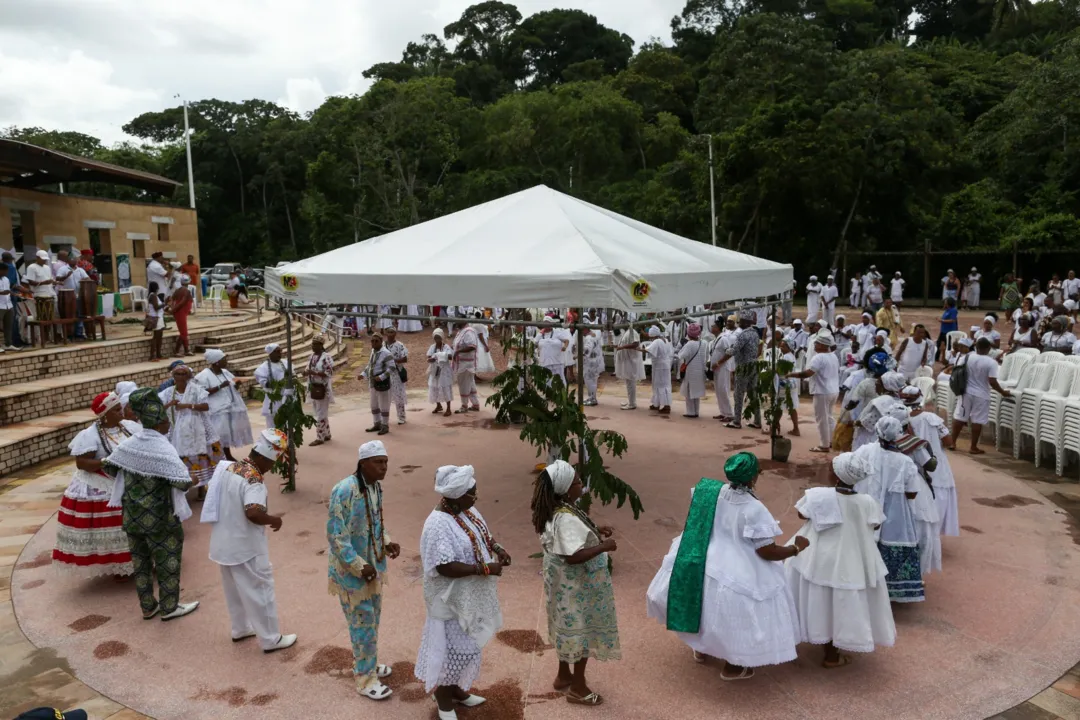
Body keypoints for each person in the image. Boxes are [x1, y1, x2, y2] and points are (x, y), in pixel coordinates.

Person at [646, 453, 803, 679]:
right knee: (736, 616)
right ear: (753, 477)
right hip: (739, 566)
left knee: (705, 609)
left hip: (704, 560)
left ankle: (700, 648)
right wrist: (795, 548)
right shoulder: (754, 508)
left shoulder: (711, 492)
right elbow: (767, 551)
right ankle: (734, 665)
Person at [416, 465, 509, 718]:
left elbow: (483, 535)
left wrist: (498, 549)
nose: (475, 497)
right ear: (456, 494)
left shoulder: (467, 510)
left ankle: (456, 691)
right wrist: (485, 569)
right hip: (447, 599)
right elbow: (444, 567)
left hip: (467, 595)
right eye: (472, 493)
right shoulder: (437, 524)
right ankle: (444, 702)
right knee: (450, 652)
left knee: (467, 647)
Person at [785, 452, 895, 667]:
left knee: (818, 597)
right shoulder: (867, 501)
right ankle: (832, 654)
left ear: (835, 477)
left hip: (818, 556)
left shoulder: (818, 495)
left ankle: (803, 636)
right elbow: (876, 524)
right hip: (853, 557)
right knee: (841, 602)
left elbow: (802, 514)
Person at [103, 388, 199, 620]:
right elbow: (182, 482)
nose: (168, 425)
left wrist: (136, 476)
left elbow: (109, 467)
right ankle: (169, 607)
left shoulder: (130, 444)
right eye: (166, 421)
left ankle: (148, 606)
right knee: (167, 560)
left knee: (141, 564)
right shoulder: (162, 447)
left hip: (132, 516)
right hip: (160, 518)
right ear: (159, 423)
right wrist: (194, 479)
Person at [531, 460, 620, 706]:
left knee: (565, 626)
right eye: (578, 482)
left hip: (559, 584)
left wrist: (594, 529)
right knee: (582, 630)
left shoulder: (558, 507)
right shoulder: (566, 517)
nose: (582, 485)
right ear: (566, 488)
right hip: (576, 586)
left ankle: (563, 675)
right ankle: (578, 688)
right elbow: (572, 556)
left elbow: (572, 533)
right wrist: (604, 546)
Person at [199, 428, 296, 652]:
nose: (271, 468)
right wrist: (273, 519)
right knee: (260, 589)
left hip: (223, 544)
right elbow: (253, 512)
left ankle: (240, 628)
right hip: (245, 547)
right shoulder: (254, 480)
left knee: (234, 590)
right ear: (263, 457)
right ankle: (271, 639)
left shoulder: (230, 467)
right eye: (272, 462)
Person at [328, 441, 402, 700]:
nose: (384, 467)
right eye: (378, 462)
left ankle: (368, 663)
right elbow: (336, 536)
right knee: (362, 623)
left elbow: (375, 523)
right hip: (352, 573)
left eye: (386, 462)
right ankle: (365, 678)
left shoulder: (375, 487)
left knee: (372, 621)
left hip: (374, 567)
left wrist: (387, 541)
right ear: (363, 463)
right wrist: (359, 566)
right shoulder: (344, 490)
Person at [51, 392, 135, 578]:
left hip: (129, 479)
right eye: (116, 410)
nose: (122, 412)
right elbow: (82, 463)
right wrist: (108, 462)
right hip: (102, 482)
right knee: (114, 524)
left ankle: (139, 560)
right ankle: (119, 566)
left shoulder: (129, 427)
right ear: (105, 414)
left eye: (121, 408)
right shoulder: (90, 435)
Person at [854, 417, 925, 603]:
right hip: (895, 514)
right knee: (892, 542)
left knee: (862, 541)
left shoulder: (864, 451)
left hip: (864, 508)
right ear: (898, 435)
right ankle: (891, 592)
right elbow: (911, 493)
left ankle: (861, 587)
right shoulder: (905, 462)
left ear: (877, 431)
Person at [159, 364, 223, 492]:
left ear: (188, 376)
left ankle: (202, 489)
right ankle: (184, 486)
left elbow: (205, 406)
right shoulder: (168, 392)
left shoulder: (196, 390)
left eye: (184, 374)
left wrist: (187, 405)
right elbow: (159, 410)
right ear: (173, 376)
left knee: (201, 456)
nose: (181, 377)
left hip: (198, 430)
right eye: (178, 374)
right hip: (176, 431)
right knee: (181, 458)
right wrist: (169, 404)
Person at [907, 394, 959, 537]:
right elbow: (949, 442)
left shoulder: (902, 419)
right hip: (937, 466)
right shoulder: (932, 419)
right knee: (939, 501)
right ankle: (933, 536)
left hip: (914, 466)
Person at [951, 337, 1012, 454]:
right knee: (977, 420)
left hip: (965, 392)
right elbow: (992, 382)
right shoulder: (991, 362)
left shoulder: (967, 357)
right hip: (982, 395)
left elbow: (957, 371)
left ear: (976, 347)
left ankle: (952, 442)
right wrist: (1003, 392)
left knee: (959, 417)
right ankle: (973, 447)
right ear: (988, 349)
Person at [194, 349, 252, 461]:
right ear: (216, 362)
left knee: (226, 434)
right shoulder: (203, 375)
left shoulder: (225, 372)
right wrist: (220, 387)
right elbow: (202, 392)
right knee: (218, 435)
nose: (226, 361)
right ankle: (216, 458)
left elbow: (231, 387)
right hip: (216, 410)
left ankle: (227, 455)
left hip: (230, 407)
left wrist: (237, 385)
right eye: (224, 359)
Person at [788, 333, 840, 452]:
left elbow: (807, 373)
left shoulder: (819, 357)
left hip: (822, 391)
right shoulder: (833, 356)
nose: (814, 345)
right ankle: (832, 441)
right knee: (829, 417)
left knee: (822, 419)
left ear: (822, 345)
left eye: (816, 343)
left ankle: (824, 445)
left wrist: (791, 374)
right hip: (833, 390)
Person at [721, 312, 763, 429]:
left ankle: (737, 421)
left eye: (741, 321)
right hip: (754, 367)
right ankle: (757, 421)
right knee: (753, 394)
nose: (739, 323)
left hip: (743, 367)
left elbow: (733, 351)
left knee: (738, 394)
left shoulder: (743, 335)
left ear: (747, 322)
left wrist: (725, 352)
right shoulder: (755, 333)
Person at [359, 333, 395, 435]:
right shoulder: (373, 352)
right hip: (372, 383)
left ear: (381, 341)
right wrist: (363, 374)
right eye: (372, 341)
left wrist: (382, 376)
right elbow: (370, 366)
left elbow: (392, 368)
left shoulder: (386, 353)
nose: (373, 343)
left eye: (376, 341)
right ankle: (377, 423)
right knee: (374, 404)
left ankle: (385, 425)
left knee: (384, 405)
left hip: (382, 383)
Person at [306, 334, 335, 444]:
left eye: (315, 344)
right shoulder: (311, 357)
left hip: (322, 389)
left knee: (320, 413)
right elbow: (308, 369)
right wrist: (306, 372)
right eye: (312, 344)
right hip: (314, 388)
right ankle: (326, 434)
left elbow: (329, 372)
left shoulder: (326, 357)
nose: (312, 346)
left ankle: (320, 437)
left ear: (320, 345)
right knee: (320, 412)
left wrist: (315, 372)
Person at [254, 344, 292, 429]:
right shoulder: (263, 367)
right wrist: (273, 384)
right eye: (277, 352)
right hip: (273, 397)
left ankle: (286, 440)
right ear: (270, 353)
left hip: (285, 395)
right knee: (273, 422)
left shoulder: (285, 363)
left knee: (286, 421)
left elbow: (293, 375)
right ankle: (274, 441)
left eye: (280, 351)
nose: (279, 354)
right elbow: (262, 381)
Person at [25, 249, 59, 344]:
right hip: (39, 295)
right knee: (42, 318)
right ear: (37, 258)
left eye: (45, 259)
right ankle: (41, 338)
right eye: (42, 259)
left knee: (50, 318)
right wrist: (43, 283)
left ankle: (48, 337)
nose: (44, 260)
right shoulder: (32, 267)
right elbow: (30, 281)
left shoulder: (47, 268)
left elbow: (49, 279)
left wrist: (56, 282)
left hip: (49, 293)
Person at [676, 323, 708, 418]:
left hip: (690, 371)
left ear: (688, 333)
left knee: (689, 392)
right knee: (696, 393)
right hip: (700, 371)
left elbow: (681, 356)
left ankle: (690, 412)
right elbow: (706, 357)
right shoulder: (704, 343)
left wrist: (683, 346)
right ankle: (696, 411)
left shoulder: (689, 344)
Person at [709, 317, 736, 422]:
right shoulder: (716, 339)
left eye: (713, 326)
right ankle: (723, 412)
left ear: (718, 328)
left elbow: (729, 353)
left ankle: (729, 414)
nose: (711, 328)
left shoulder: (724, 339)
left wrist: (719, 363)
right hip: (717, 368)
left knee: (724, 390)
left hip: (723, 367)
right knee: (718, 390)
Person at [614, 324, 646, 410]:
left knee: (631, 383)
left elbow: (635, 344)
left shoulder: (632, 331)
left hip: (631, 361)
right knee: (629, 382)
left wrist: (622, 347)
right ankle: (631, 401)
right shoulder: (627, 332)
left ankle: (632, 403)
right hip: (627, 361)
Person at [451, 321, 481, 413]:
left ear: (464, 321)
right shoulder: (461, 331)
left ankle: (464, 406)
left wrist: (458, 351)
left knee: (463, 384)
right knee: (470, 384)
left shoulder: (469, 331)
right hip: (462, 363)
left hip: (466, 364)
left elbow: (472, 346)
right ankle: (475, 404)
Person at [428, 328, 454, 416]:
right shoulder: (432, 347)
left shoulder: (446, 347)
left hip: (444, 371)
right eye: (435, 338)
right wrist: (432, 359)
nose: (437, 340)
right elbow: (428, 357)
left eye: (439, 337)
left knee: (445, 387)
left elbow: (450, 357)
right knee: (434, 387)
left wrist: (439, 355)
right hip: (435, 370)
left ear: (442, 337)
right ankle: (438, 405)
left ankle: (448, 408)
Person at [166, 275, 194, 357]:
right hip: (180, 312)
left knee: (184, 332)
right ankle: (176, 351)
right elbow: (182, 303)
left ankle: (186, 350)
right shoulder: (186, 291)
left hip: (179, 313)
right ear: (189, 282)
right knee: (183, 333)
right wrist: (172, 310)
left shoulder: (178, 290)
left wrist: (170, 308)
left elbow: (170, 300)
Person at [581, 326, 604, 406]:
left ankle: (592, 398)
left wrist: (580, 353)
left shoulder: (588, 338)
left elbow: (587, 350)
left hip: (590, 362)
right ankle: (591, 397)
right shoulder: (594, 336)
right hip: (595, 361)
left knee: (589, 380)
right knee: (593, 380)